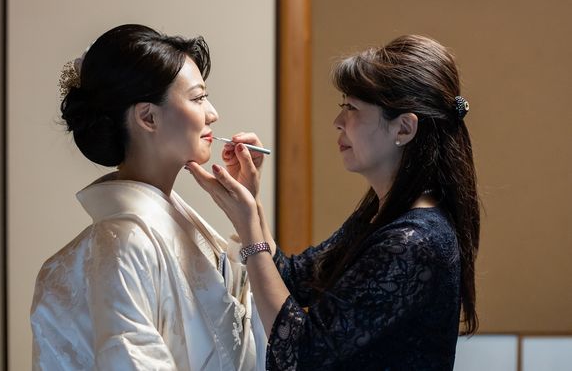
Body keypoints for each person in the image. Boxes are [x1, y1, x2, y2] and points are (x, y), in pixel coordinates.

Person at [189, 34, 480, 371]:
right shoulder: (385, 214)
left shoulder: (414, 241)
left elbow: (301, 353)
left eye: (352, 108)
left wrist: (250, 228)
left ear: (403, 128)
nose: (338, 122)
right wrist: (250, 201)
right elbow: (292, 278)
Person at [31, 24, 266, 370]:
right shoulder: (124, 243)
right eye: (198, 98)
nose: (212, 113)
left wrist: (249, 211)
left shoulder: (162, 226)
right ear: (148, 117)